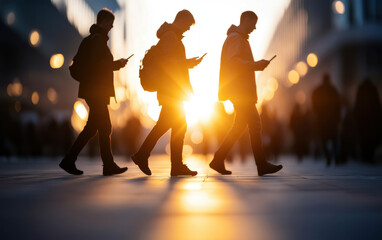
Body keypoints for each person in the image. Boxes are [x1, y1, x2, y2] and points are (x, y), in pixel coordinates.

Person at [209, 11, 282, 176]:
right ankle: (261, 164)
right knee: (255, 124)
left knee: (239, 126)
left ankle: (218, 158)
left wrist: (255, 65)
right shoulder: (236, 38)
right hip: (240, 92)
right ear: (246, 20)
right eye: (253, 23)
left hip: (239, 91)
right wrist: (255, 65)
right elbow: (233, 62)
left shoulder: (236, 37)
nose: (255, 28)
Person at [132, 10, 202, 176]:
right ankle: (169, 163)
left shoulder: (172, 36)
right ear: (181, 20)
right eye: (187, 25)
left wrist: (187, 64)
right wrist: (188, 63)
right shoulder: (170, 36)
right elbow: (166, 62)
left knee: (169, 124)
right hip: (170, 89)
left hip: (172, 89)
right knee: (177, 125)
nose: (188, 29)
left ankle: (148, 157)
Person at [59, 9, 128, 176]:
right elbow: (99, 66)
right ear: (103, 22)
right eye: (110, 23)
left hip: (93, 91)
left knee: (94, 128)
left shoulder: (91, 39)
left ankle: (70, 160)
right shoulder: (98, 41)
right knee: (104, 127)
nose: (112, 27)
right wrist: (117, 64)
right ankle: (106, 165)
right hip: (96, 91)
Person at [311, 74, 341, 166]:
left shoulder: (318, 90)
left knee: (324, 139)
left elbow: (313, 102)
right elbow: (338, 105)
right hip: (332, 121)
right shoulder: (333, 90)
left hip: (322, 120)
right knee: (334, 139)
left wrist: (316, 113)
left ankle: (328, 157)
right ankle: (335, 157)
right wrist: (337, 117)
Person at [354, 78, 382, 163]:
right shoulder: (373, 89)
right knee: (371, 138)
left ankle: (365, 155)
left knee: (364, 138)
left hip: (363, 119)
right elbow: (377, 104)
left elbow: (357, 105)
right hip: (371, 119)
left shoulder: (361, 89)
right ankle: (370, 156)